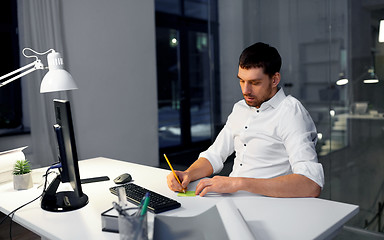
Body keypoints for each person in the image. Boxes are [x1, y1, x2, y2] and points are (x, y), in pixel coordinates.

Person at [167, 42, 324, 198]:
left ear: (275, 80)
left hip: (268, 208)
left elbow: (310, 183)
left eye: (255, 83)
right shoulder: (240, 108)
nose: (245, 90)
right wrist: (188, 173)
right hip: (231, 200)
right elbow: (214, 155)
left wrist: (238, 183)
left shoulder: (291, 113)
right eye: (241, 80)